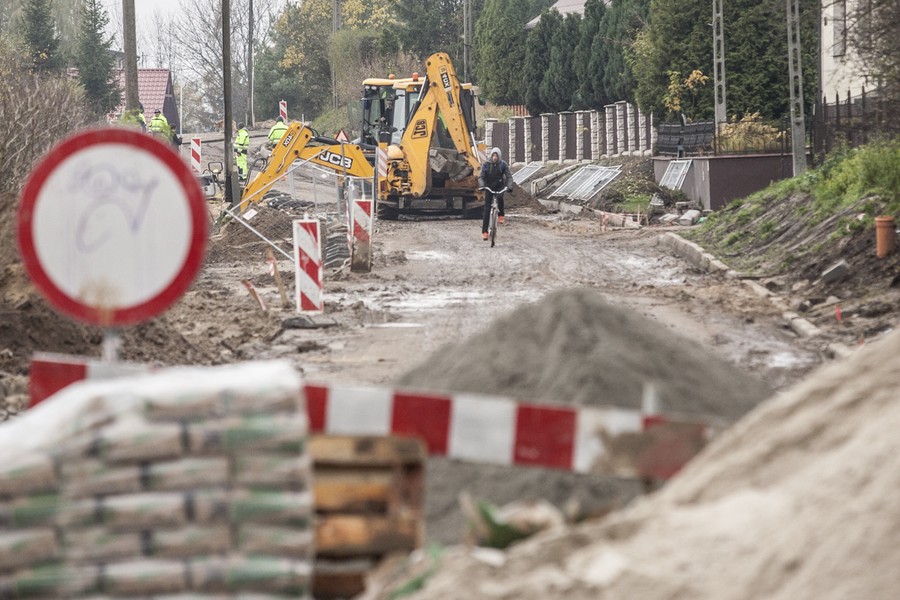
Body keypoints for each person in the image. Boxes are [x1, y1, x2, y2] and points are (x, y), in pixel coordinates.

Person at [478, 147, 513, 240]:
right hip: (489, 187)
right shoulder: (486, 164)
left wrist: (509, 186)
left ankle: (501, 215)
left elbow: (509, 177)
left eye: (496, 156)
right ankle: (485, 232)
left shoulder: (503, 165)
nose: (494, 157)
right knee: (487, 209)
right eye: (493, 155)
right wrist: (482, 186)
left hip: (499, 185)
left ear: (499, 156)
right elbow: (481, 177)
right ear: (491, 156)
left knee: (500, 198)